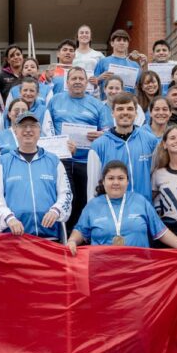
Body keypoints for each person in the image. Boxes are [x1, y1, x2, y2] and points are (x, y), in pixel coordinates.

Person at [43, 67, 114, 232]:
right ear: (67, 82)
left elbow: (109, 132)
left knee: (84, 201)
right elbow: (46, 129)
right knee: (64, 200)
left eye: (81, 79)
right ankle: (64, 236)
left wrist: (101, 135)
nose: (77, 82)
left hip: (87, 162)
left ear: (86, 82)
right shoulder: (55, 101)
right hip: (62, 161)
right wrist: (59, 146)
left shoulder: (97, 105)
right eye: (73, 78)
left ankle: (82, 236)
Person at [68, 160, 177, 253]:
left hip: (138, 269)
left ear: (127, 182)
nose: (116, 182)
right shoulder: (92, 206)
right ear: (103, 182)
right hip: (103, 270)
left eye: (121, 178)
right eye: (111, 178)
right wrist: (72, 241)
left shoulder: (140, 201)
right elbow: (80, 231)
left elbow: (161, 232)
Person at [0, 111, 72, 240]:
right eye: (23, 126)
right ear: (15, 131)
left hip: (49, 238)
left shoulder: (54, 161)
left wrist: (56, 210)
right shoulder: (3, 162)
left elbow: (66, 193)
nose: (28, 130)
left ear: (39, 131)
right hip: (15, 238)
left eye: (32, 126)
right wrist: (9, 218)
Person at [86, 94, 158, 201]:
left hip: (142, 206)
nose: (125, 112)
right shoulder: (98, 146)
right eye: (120, 109)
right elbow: (93, 187)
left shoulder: (150, 140)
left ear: (136, 113)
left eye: (130, 109)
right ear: (112, 113)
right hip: (112, 208)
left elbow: (155, 177)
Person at [95, 29, 145, 97]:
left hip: (128, 101)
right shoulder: (103, 62)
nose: (122, 43)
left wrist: (143, 67)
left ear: (128, 44)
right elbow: (93, 85)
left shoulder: (135, 65)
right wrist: (99, 78)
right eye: (118, 40)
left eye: (125, 40)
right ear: (112, 43)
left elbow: (141, 85)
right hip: (108, 101)